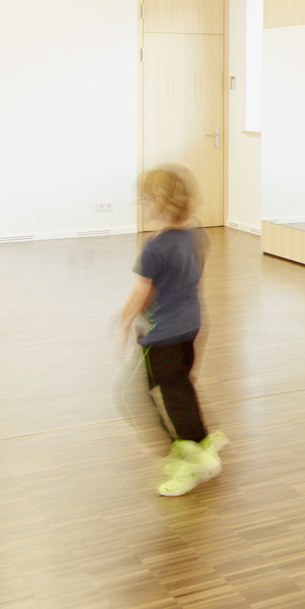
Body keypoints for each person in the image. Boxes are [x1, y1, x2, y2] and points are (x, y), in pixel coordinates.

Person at [118, 165, 226, 498]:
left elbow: (141, 292)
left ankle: (189, 456)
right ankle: (202, 441)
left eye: (146, 198)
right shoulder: (195, 234)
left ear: (162, 202)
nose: (142, 204)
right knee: (180, 388)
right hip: (191, 327)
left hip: (162, 336)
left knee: (131, 394)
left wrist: (123, 322)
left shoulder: (155, 247)